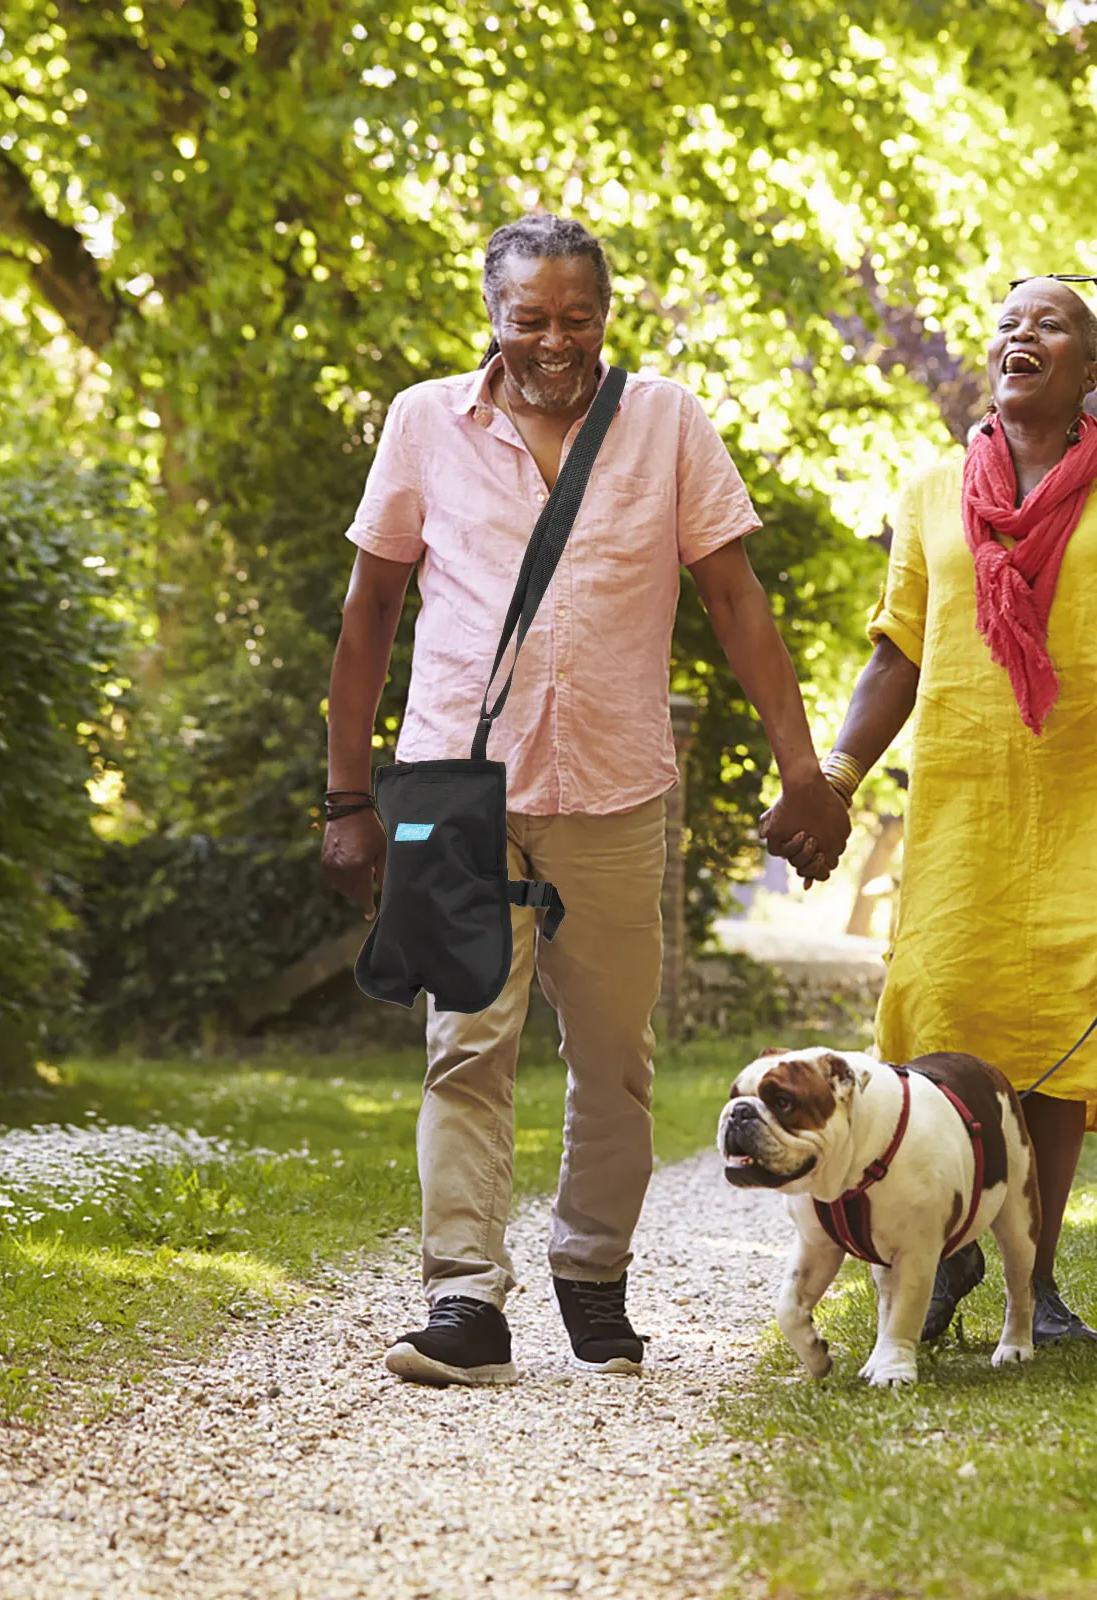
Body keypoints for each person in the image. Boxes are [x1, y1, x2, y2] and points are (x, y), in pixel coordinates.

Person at [322, 214, 850, 1387]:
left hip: (614, 789)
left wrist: (801, 769)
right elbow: (369, 613)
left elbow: (734, 599)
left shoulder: (665, 422)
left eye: (578, 317)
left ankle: (592, 1271)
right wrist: (345, 797)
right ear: (492, 318)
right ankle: (465, 1300)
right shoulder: (423, 422)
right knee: (464, 1047)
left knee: (614, 1059)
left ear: (606, 315)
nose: (555, 341)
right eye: (530, 320)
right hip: (457, 788)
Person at [770, 276, 1097, 1344]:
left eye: (1052, 324)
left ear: (1091, 369)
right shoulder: (932, 493)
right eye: (1008, 323)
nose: (1021, 335)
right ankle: (944, 1254)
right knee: (938, 1016)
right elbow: (898, 651)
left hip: (1081, 798)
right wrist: (836, 778)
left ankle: (1040, 1280)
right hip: (959, 803)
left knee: (1058, 1035)